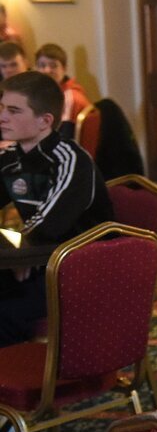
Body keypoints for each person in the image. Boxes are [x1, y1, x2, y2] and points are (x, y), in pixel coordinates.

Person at [0, 71, 113, 346]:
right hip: (39, 259)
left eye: (14, 111)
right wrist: (21, 255)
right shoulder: (10, 158)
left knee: (5, 312)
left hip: (82, 267)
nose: (2, 116)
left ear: (45, 121)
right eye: (2, 107)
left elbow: (48, 225)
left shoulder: (70, 160)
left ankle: (22, 382)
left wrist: (22, 254)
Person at [34, 43, 90, 140]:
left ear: (64, 68)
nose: (47, 70)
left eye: (53, 66)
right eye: (42, 66)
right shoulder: (42, 95)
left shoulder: (70, 97)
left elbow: (64, 136)